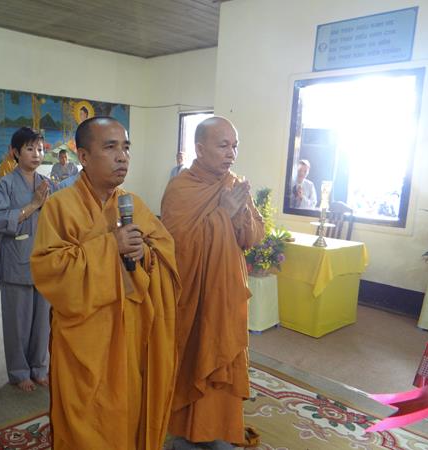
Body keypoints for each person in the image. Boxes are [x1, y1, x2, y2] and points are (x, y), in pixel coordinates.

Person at [30, 117, 181, 450]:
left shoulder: (134, 205)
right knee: (85, 416)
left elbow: (164, 254)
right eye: (111, 147)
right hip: (85, 336)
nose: (122, 156)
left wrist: (144, 253)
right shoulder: (59, 207)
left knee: (128, 408)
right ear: (83, 156)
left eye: (126, 148)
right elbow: (50, 270)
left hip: (130, 331)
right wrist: (111, 246)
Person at [161, 116, 264, 449]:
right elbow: (175, 246)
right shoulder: (181, 188)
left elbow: (253, 237)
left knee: (225, 355)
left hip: (226, 291)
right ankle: (187, 432)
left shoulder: (235, 185)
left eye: (235, 146)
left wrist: (238, 213)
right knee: (194, 356)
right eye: (223, 145)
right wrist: (222, 214)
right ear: (200, 148)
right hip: (194, 295)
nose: (231, 153)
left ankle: (220, 430)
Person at [0, 127, 51, 392]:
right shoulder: (5, 184)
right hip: (16, 261)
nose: (36, 154)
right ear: (15, 152)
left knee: (42, 322)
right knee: (18, 322)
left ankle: (39, 368)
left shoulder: (47, 183)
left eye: (39, 149)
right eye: (29, 148)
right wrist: (34, 205)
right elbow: (0, 221)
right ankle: (19, 372)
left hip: (43, 259)